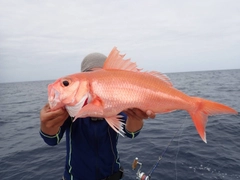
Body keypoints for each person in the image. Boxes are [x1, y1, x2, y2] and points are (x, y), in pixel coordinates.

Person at [40, 52, 155, 180]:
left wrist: (135, 117)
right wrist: (46, 125)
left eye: (103, 77)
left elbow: (131, 133)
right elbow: (51, 140)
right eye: (93, 76)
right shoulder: (69, 109)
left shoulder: (116, 104)